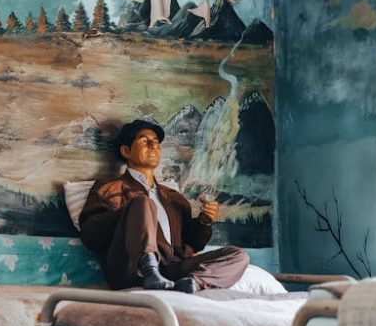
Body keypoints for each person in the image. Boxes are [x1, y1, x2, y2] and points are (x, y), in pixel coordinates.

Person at [79, 118, 249, 293]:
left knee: (238, 255)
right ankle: (149, 268)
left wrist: (204, 221)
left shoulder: (174, 198)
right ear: (126, 151)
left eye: (157, 142)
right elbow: (90, 236)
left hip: (173, 268)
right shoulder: (108, 188)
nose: (154, 145)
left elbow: (193, 243)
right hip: (131, 270)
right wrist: (128, 214)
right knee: (142, 202)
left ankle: (193, 283)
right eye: (145, 141)